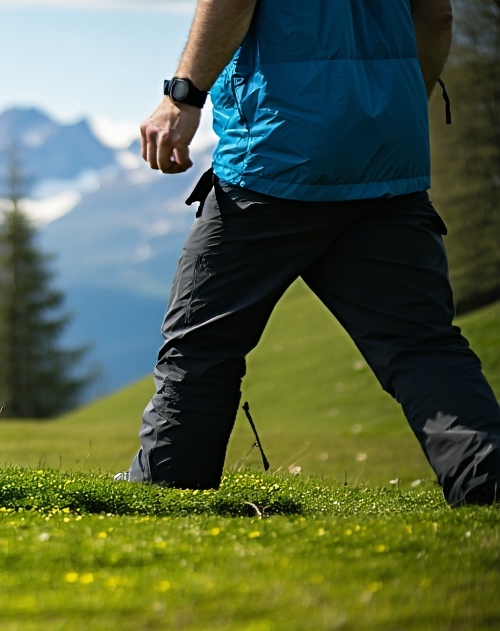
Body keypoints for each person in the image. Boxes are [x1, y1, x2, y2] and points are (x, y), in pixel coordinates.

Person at [122, 0, 500, 507]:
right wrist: (397, 106)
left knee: (203, 343)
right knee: (421, 346)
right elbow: (437, 15)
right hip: (386, 160)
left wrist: (183, 97)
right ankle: (488, 482)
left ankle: (166, 492)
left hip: (273, 157)